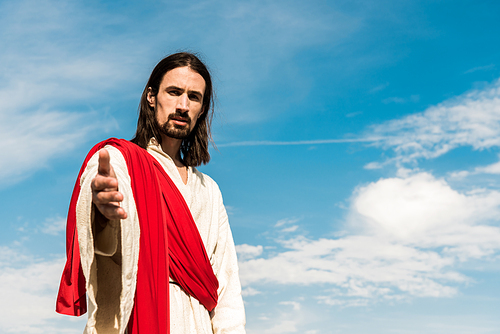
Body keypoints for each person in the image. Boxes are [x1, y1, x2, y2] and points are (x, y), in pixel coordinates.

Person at [56, 52, 246, 334]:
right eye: (174, 92)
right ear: (151, 97)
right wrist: (102, 212)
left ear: (202, 108)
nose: (183, 105)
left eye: (194, 97)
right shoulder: (120, 162)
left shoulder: (209, 190)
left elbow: (226, 286)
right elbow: (100, 239)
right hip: (136, 316)